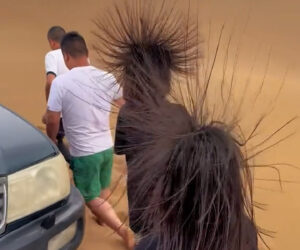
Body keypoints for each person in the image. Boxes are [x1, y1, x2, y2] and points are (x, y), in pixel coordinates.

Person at [46, 31, 134, 249]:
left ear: (66, 57)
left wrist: (51, 137)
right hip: (106, 148)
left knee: (88, 195)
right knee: (102, 186)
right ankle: (104, 216)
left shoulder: (61, 83)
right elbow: (126, 105)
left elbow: (53, 120)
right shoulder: (107, 77)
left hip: (85, 153)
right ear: (87, 53)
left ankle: (123, 230)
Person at [44, 25, 70, 163]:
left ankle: (71, 166)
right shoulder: (75, 55)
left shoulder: (52, 55)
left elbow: (50, 82)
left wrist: (49, 108)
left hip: (60, 109)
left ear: (52, 42)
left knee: (56, 141)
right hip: (79, 108)